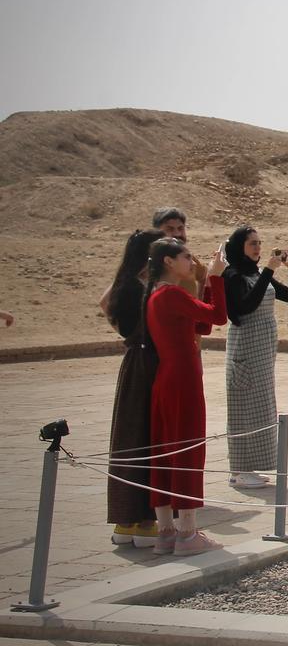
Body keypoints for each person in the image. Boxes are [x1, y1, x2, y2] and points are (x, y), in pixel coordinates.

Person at [145, 237, 228, 556]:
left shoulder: (158, 296)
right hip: (183, 377)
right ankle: (187, 532)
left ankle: (166, 529)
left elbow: (202, 323)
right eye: (185, 257)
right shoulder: (171, 294)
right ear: (168, 261)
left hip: (167, 376)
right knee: (188, 448)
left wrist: (206, 282)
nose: (190, 263)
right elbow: (218, 317)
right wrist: (217, 278)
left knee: (165, 448)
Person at [221, 226, 288, 488]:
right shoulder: (233, 274)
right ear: (239, 247)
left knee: (261, 405)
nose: (257, 248)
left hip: (263, 348)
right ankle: (239, 468)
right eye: (251, 244)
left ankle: (251, 466)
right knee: (243, 405)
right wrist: (268, 270)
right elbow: (246, 305)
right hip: (245, 348)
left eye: (259, 243)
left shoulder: (255, 272)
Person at [103, 228, 164, 547]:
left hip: (137, 361)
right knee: (141, 437)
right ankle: (136, 518)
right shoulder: (142, 287)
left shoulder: (129, 284)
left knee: (136, 437)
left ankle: (135, 520)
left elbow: (105, 303)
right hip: (147, 363)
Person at [99, 207, 204, 314]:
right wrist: (132, 329)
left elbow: (203, 277)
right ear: (157, 232)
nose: (177, 234)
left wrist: (200, 309)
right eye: (170, 229)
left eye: (180, 228)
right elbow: (106, 302)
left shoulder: (187, 258)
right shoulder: (149, 264)